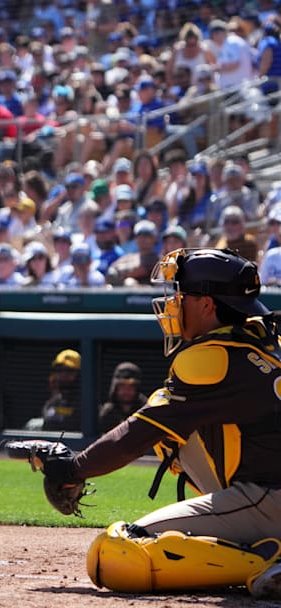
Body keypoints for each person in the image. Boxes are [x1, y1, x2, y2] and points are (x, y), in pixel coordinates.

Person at [27, 248, 281, 599]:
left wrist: (72, 468)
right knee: (175, 437)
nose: (173, 302)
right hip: (269, 488)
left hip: (270, 500)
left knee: (117, 551)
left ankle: (266, 559)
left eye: (182, 294)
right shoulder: (269, 339)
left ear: (207, 305)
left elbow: (140, 433)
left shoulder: (213, 357)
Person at [96, 362, 147, 433]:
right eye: (122, 386)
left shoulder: (145, 411)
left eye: (131, 387)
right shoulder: (106, 413)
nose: (126, 391)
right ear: (115, 388)